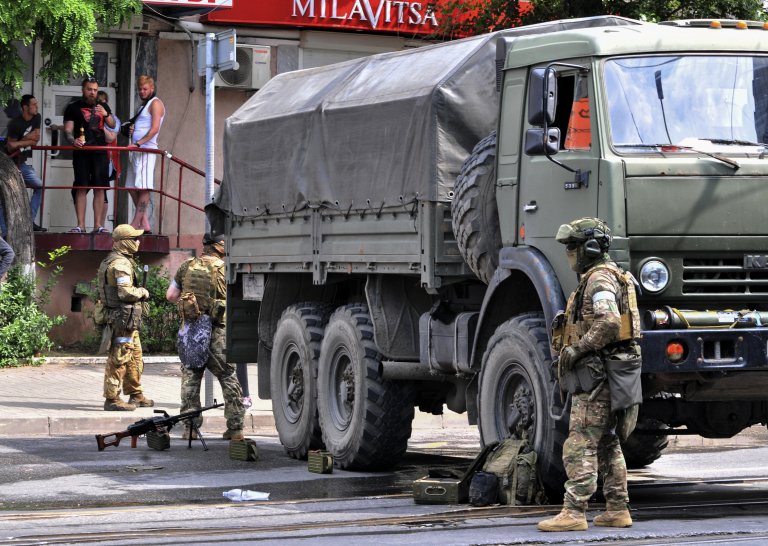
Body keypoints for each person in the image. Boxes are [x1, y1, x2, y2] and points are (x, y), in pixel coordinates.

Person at [538, 217, 641, 532]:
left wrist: (578, 349)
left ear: (592, 248)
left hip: (597, 374)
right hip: (609, 373)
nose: (570, 253)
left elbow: (609, 321)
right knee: (607, 441)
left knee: (580, 440)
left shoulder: (599, 280)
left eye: (573, 247)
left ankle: (574, 512)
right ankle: (617, 508)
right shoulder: (610, 276)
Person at [166, 232, 245, 440]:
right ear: (220, 246)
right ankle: (235, 429)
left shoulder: (187, 266)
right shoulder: (226, 269)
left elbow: (171, 296)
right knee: (228, 376)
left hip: (192, 331)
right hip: (218, 331)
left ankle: (190, 429)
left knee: (191, 377)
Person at [97, 224, 154, 411]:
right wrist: (143, 292)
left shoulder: (113, 260)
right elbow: (125, 293)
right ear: (123, 243)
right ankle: (112, 399)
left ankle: (136, 395)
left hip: (127, 321)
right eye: (134, 239)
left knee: (135, 357)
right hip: (121, 320)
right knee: (119, 358)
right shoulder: (120, 264)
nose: (137, 242)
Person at [63, 76, 116, 234]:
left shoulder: (103, 105)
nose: (92, 93)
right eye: (89, 89)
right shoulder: (73, 107)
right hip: (82, 152)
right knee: (81, 187)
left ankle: (98, 226)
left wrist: (106, 114)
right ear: (83, 90)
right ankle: (80, 225)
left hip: (100, 152)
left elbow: (113, 124)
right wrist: (73, 141)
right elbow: (67, 130)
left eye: (95, 90)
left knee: (100, 188)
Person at [126, 75, 165, 233]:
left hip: (146, 150)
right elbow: (143, 125)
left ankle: (135, 224)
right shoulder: (144, 106)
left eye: (145, 89)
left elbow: (155, 128)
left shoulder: (155, 103)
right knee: (130, 186)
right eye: (139, 89)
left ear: (152, 88)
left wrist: (137, 143)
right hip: (136, 150)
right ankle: (145, 223)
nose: (141, 92)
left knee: (144, 187)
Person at [3, 94, 46, 232]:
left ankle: (29, 221)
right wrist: (27, 139)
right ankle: (4, 230)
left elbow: (36, 139)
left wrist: (20, 142)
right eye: (33, 104)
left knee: (40, 186)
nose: (36, 106)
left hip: (21, 162)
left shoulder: (37, 117)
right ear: (25, 107)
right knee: (4, 195)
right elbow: (10, 146)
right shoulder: (15, 124)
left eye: (36, 104)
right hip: (8, 163)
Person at [96, 90, 121, 231]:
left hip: (107, 159)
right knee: (79, 191)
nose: (100, 105)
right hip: (90, 158)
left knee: (102, 190)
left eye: (103, 102)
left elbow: (111, 137)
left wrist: (100, 124)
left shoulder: (113, 119)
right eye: (98, 102)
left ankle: (101, 226)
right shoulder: (89, 115)